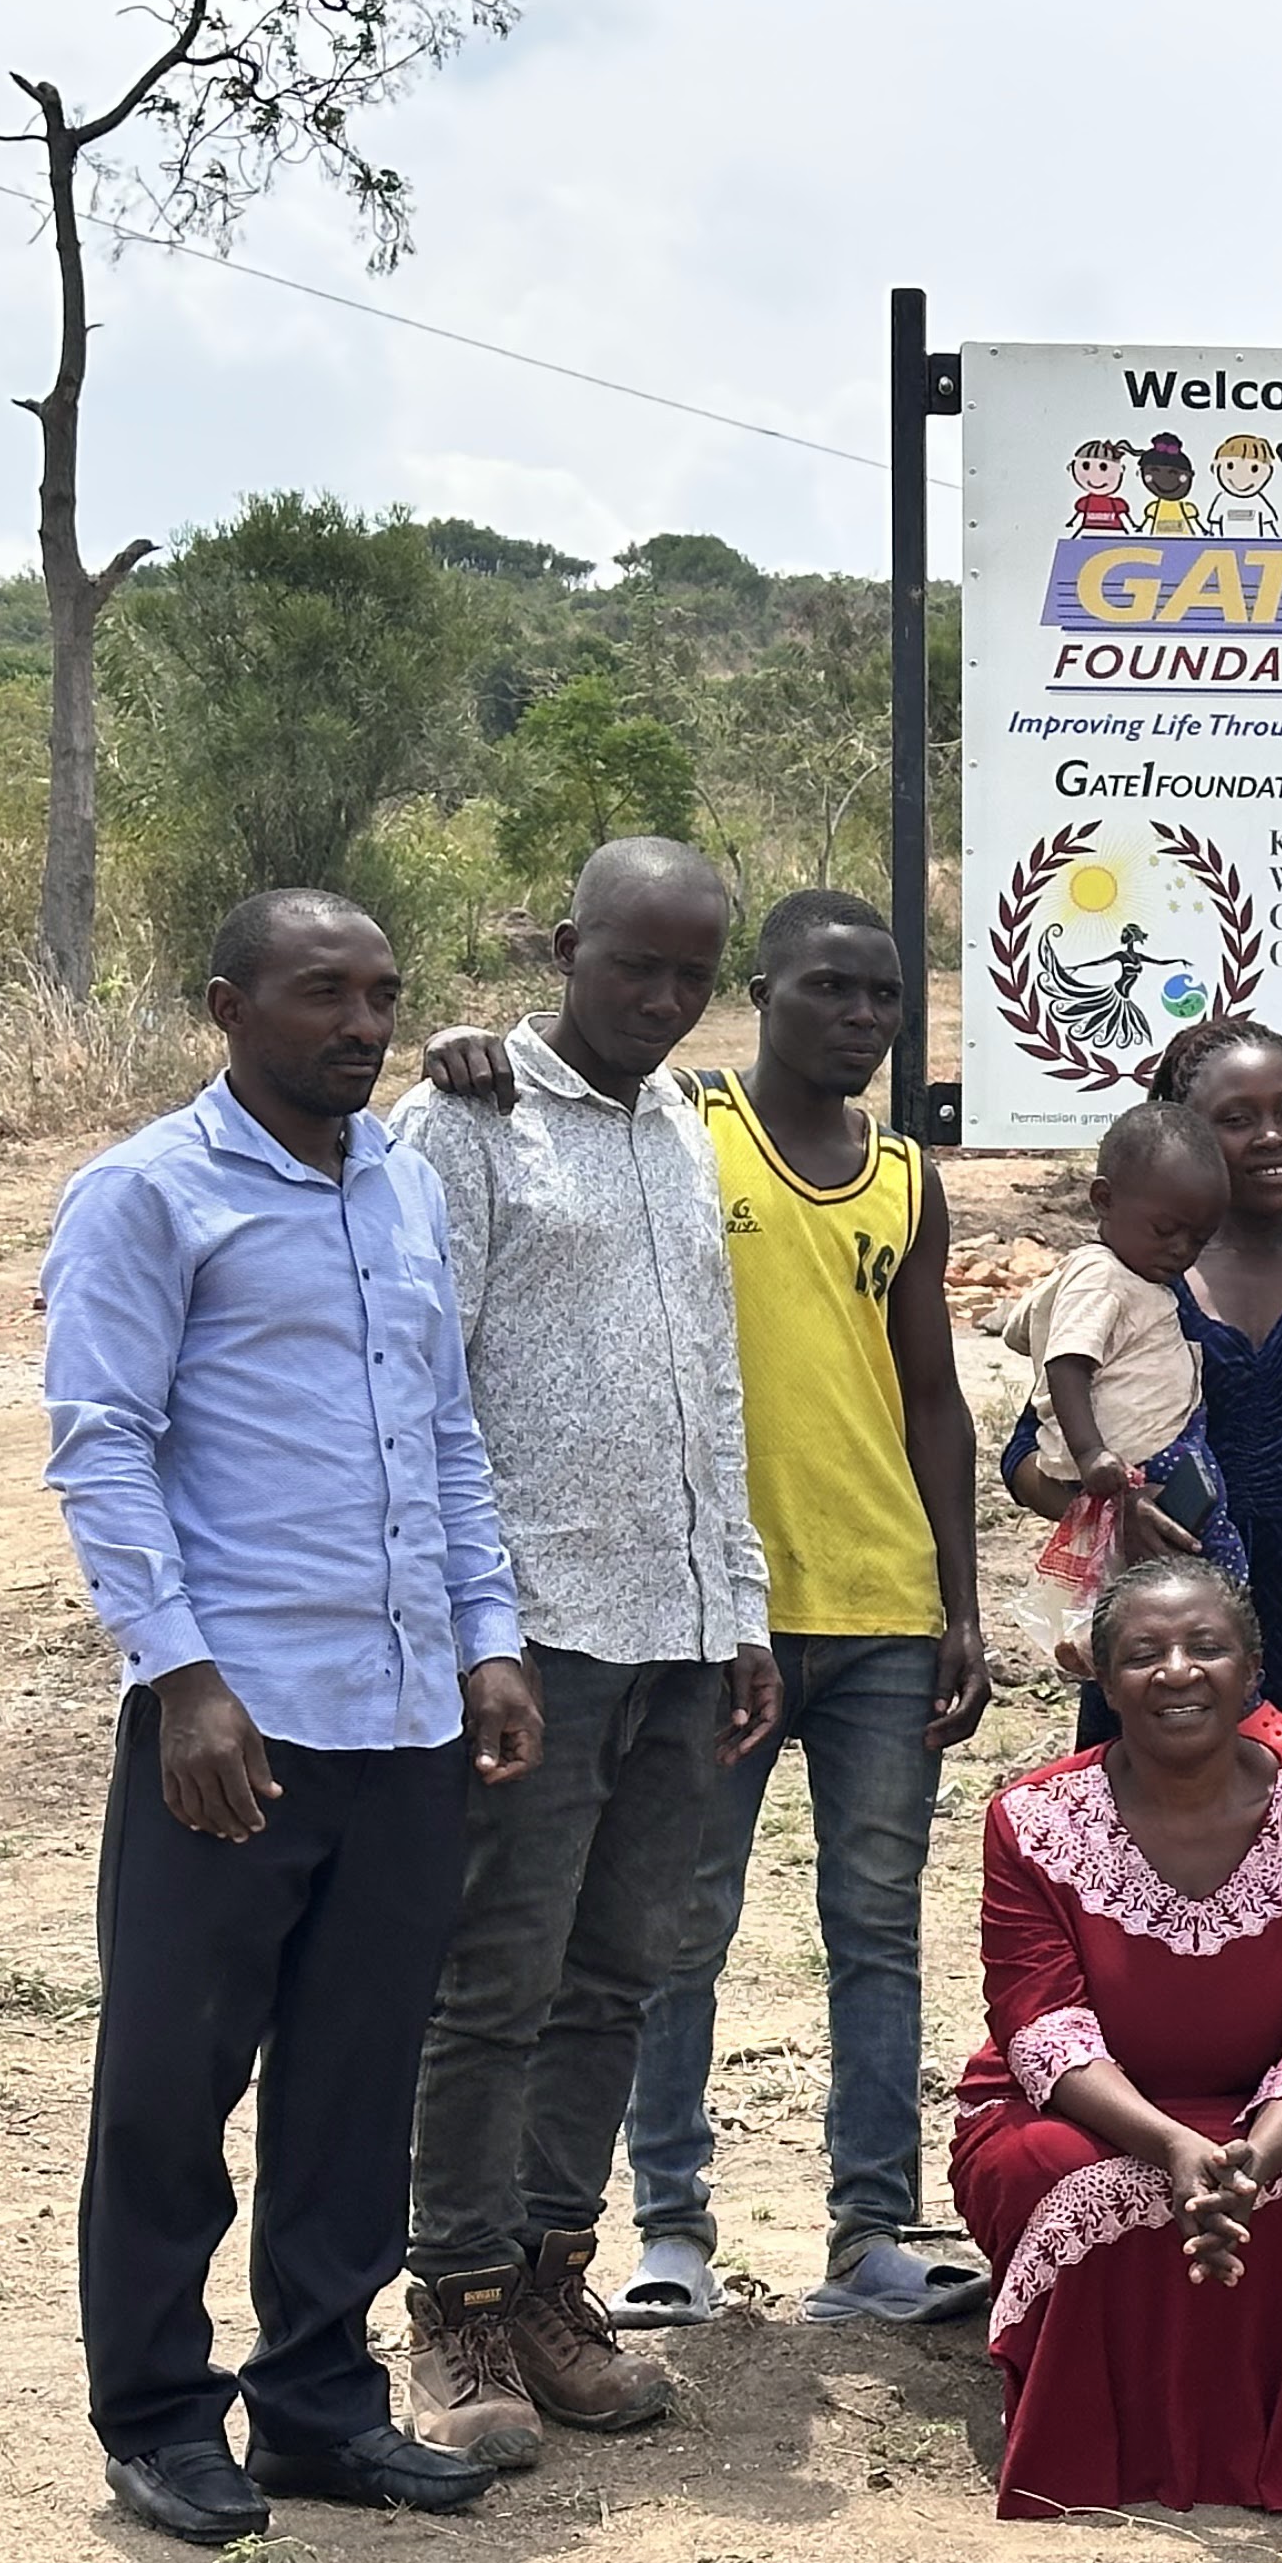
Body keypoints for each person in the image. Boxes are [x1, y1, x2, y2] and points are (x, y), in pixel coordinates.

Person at [421, 893, 1003, 2333]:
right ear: (761, 992)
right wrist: (466, 1046)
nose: (861, 1018)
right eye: (829, 989)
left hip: (855, 1603)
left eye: (883, 995)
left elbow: (932, 1396)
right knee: (664, 1934)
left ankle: (870, 2229)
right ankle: (662, 2227)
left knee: (870, 1926)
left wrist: (960, 1598)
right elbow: (552, 1094)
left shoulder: (898, 1175)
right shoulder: (691, 1123)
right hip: (680, 1615)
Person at [47, 890, 545, 2544]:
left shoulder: (401, 1183)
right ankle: (156, 2416)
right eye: (322, 991)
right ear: (227, 1006)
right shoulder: (146, 1192)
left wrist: (488, 1637)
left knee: (353, 2080)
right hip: (236, 1725)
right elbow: (103, 1445)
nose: (362, 1023)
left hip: (404, 1716)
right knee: (171, 2084)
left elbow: (446, 1431)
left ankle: (320, 2407)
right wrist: (180, 1675)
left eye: (381, 993)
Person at [389, 836, 782, 2469]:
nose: (666, 998)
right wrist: (476, 1627)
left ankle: (555, 2276)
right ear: (565, 948)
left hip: (681, 1628)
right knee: (496, 1978)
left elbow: (711, 1386)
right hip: (536, 1634)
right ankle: (456, 2302)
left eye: (694, 973)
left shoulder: (688, 1122)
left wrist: (741, 1603)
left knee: (620, 1971)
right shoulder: (467, 1121)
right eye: (635, 964)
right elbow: (418, 1385)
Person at [950, 1557, 1282, 2519]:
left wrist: (1250, 2161)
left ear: (1251, 1669)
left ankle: (1277, 2444)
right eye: (1143, 1654)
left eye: (1206, 1648)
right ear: (1102, 1676)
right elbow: (1040, 2027)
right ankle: (1095, 2449)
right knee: (1059, 2174)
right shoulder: (1031, 1819)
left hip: (1255, 2115)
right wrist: (1170, 2146)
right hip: (1077, 2110)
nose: (1176, 1672)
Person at [1003, 963, 1282, 1761]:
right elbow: (1024, 1455)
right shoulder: (1133, 1287)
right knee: (1139, 1810)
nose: (1273, 1136)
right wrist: (1115, 1513)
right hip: (1158, 1615)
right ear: (1183, 1136)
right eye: (1237, 1119)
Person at [992, 1104, 1244, 1580]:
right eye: (1165, 1231)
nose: (1181, 1250)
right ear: (1104, 1200)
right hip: (1139, 1458)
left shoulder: (1138, 1276)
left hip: (1152, 1453)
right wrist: (1091, 1454)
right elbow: (1066, 1362)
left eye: (1199, 1240)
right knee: (1210, 1561)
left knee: (1148, 1571)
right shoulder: (1100, 1276)